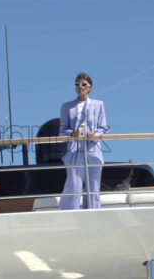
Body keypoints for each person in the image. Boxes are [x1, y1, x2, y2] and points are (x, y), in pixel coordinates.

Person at [59, 72, 108, 210]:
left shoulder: (99, 105)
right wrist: (72, 133)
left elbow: (103, 128)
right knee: (74, 184)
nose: (80, 87)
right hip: (75, 150)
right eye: (77, 84)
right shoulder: (66, 107)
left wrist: (95, 134)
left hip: (93, 149)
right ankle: (68, 213)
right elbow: (63, 130)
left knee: (93, 186)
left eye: (83, 84)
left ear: (90, 87)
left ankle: (93, 213)